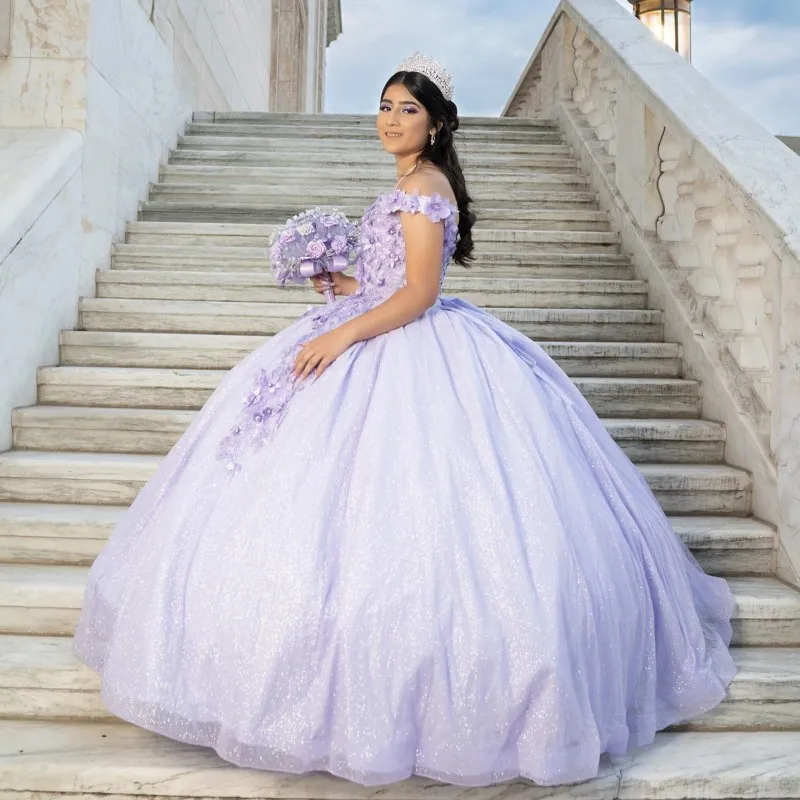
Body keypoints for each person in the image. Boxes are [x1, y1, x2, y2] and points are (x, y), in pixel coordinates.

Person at [73, 53, 735, 788]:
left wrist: (341, 330)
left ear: (439, 122)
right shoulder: (410, 183)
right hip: (383, 322)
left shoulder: (426, 188)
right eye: (385, 105)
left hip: (409, 344)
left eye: (407, 109)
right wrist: (348, 285)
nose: (391, 119)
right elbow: (394, 283)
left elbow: (419, 294)